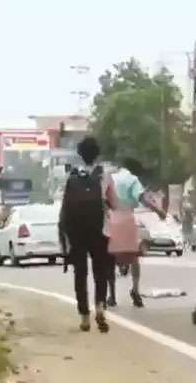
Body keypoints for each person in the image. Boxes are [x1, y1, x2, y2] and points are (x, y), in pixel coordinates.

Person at [58, 136, 116, 333]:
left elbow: (65, 209)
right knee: (101, 271)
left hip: (77, 231)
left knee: (80, 273)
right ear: (97, 154)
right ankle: (100, 307)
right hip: (99, 230)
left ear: (80, 155)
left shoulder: (72, 176)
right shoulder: (105, 175)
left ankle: (84, 316)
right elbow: (114, 204)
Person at [106, 157, 167, 308]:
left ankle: (112, 295)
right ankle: (135, 290)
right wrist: (159, 211)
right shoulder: (132, 180)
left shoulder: (110, 178)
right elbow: (143, 198)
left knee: (110, 259)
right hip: (127, 219)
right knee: (133, 257)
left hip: (111, 219)